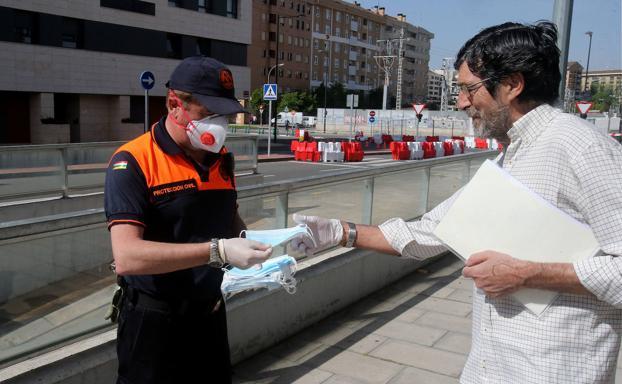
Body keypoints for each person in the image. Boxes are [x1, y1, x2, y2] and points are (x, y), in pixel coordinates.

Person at [290, 21, 622, 384]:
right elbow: (430, 232)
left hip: (551, 371)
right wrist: (339, 232)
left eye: (469, 89)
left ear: (512, 85)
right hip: (491, 368)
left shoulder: (582, 148)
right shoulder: (511, 157)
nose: (462, 102)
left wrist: (526, 274)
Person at [104, 56, 272, 384]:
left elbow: (230, 220)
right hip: (154, 320)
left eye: (224, 114)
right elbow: (127, 257)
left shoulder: (222, 159)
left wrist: (265, 245)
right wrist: (218, 251)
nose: (219, 124)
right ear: (174, 104)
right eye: (209, 113)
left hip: (209, 312)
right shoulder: (132, 162)